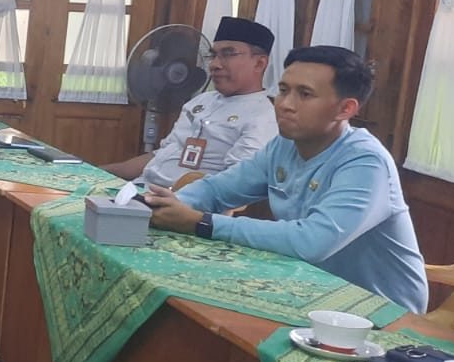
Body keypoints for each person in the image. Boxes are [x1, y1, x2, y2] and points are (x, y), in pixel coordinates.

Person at [143, 46, 429, 313]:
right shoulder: (284, 145)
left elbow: (311, 242)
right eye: (283, 90)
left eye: (305, 94)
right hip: (310, 291)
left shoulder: (365, 162)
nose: (285, 105)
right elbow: (219, 189)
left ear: (346, 109)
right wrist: (165, 205)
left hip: (378, 312)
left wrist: (202, 223)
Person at [106, 16, 279, 189]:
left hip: (180, 206)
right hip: (139, 190)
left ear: (259, 63)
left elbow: (236, 183)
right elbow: (161, 155)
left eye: (228, 54)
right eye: (213, 55)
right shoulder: (201, 101)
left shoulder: (263, 117)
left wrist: (173, 201)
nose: (215, 65)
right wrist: (99, 172)